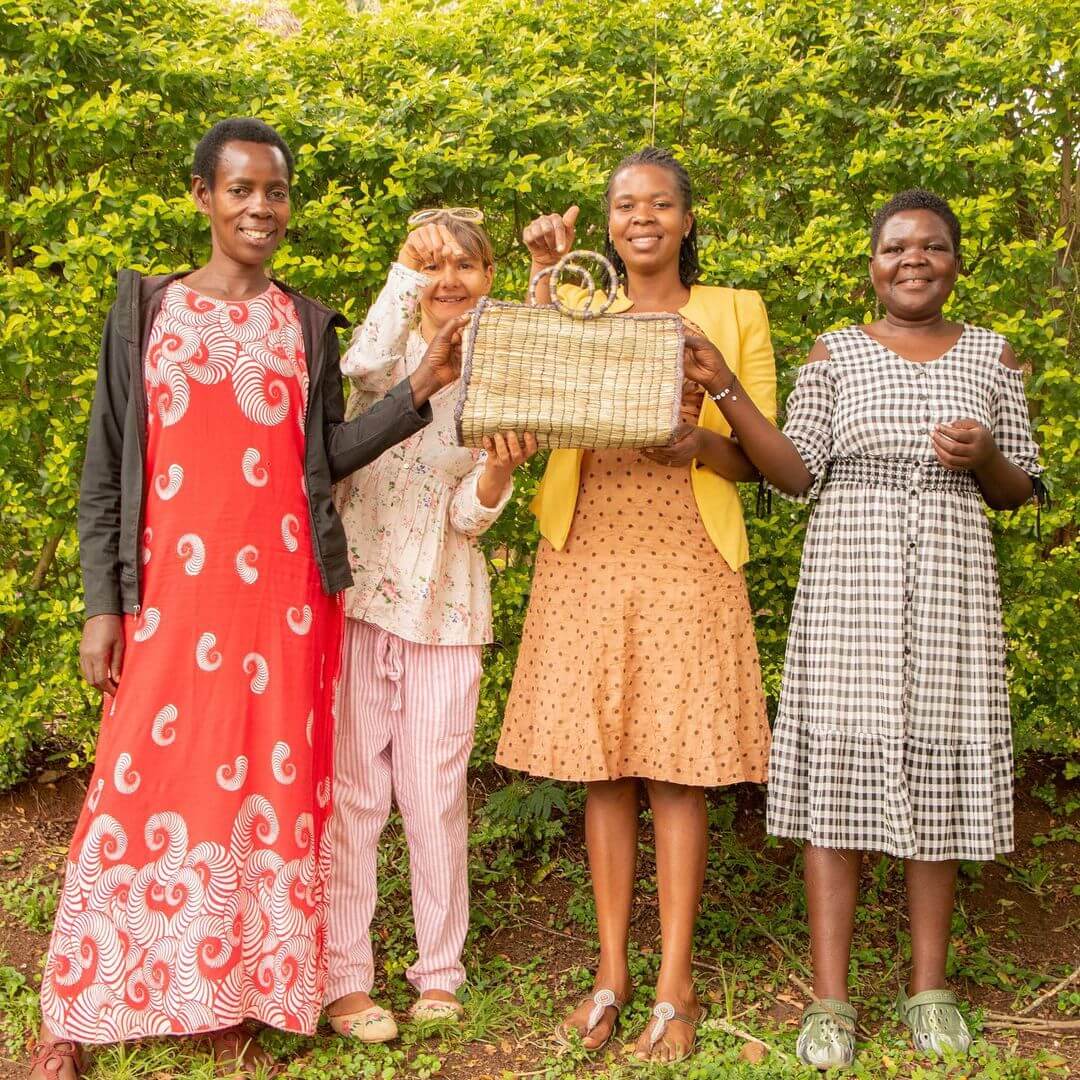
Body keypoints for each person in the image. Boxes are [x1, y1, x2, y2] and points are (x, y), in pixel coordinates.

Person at [31, 118, 464, 1080]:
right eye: (239, 190)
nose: (260, 208)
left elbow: (324, 459)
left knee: (264, 796)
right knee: (132, 783)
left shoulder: (305, 323)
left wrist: (421, 387)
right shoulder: (145, 310)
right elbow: (107, 465)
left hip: (283, 601)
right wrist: (105, 604)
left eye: (274, 192)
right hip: (171, 600)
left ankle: (233, 997)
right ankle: (73, 1009)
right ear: (201, 197)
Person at [676, 189, 1046, 1070]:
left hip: (955, 592)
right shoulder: (834, 355)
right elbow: (795, 473)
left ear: (957, 262)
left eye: (933, 247)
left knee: (941, 779)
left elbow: (1021, 488)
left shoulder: (993, 357)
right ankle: (831, 1002)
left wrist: (985, 455)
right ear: (872, 265)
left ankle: (929, 990)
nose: (913, 260)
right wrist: (724, 388)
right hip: (850, 587)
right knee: (837, 790)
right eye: (896, 248)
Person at [495, 147, 775, 1064]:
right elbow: (523, 384)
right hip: (589, 548)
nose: (641, 217)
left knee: (678, 770)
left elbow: (760, 461)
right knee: (603, 766)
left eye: (659, 204)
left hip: (689, 553)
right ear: (609, 225)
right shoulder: (584, 303)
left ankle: (675, 984)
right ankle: (611, 972)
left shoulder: (735, 311)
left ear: (689, 220)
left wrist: (697, 438)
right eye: (624, 206)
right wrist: (543, 274)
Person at [324, 210, 536, 1042]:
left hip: (446, 615)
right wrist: (406, 274)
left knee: (436, 799)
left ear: (491, 280)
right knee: (353, 799)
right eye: (432, 265)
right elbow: (363, 361)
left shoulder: (500, 378)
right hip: (358, 608)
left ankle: (437, 973)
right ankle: (345, 974)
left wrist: (496, 472)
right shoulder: (385, 362)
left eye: (468, 266)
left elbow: (466, 518)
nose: (450, 279)